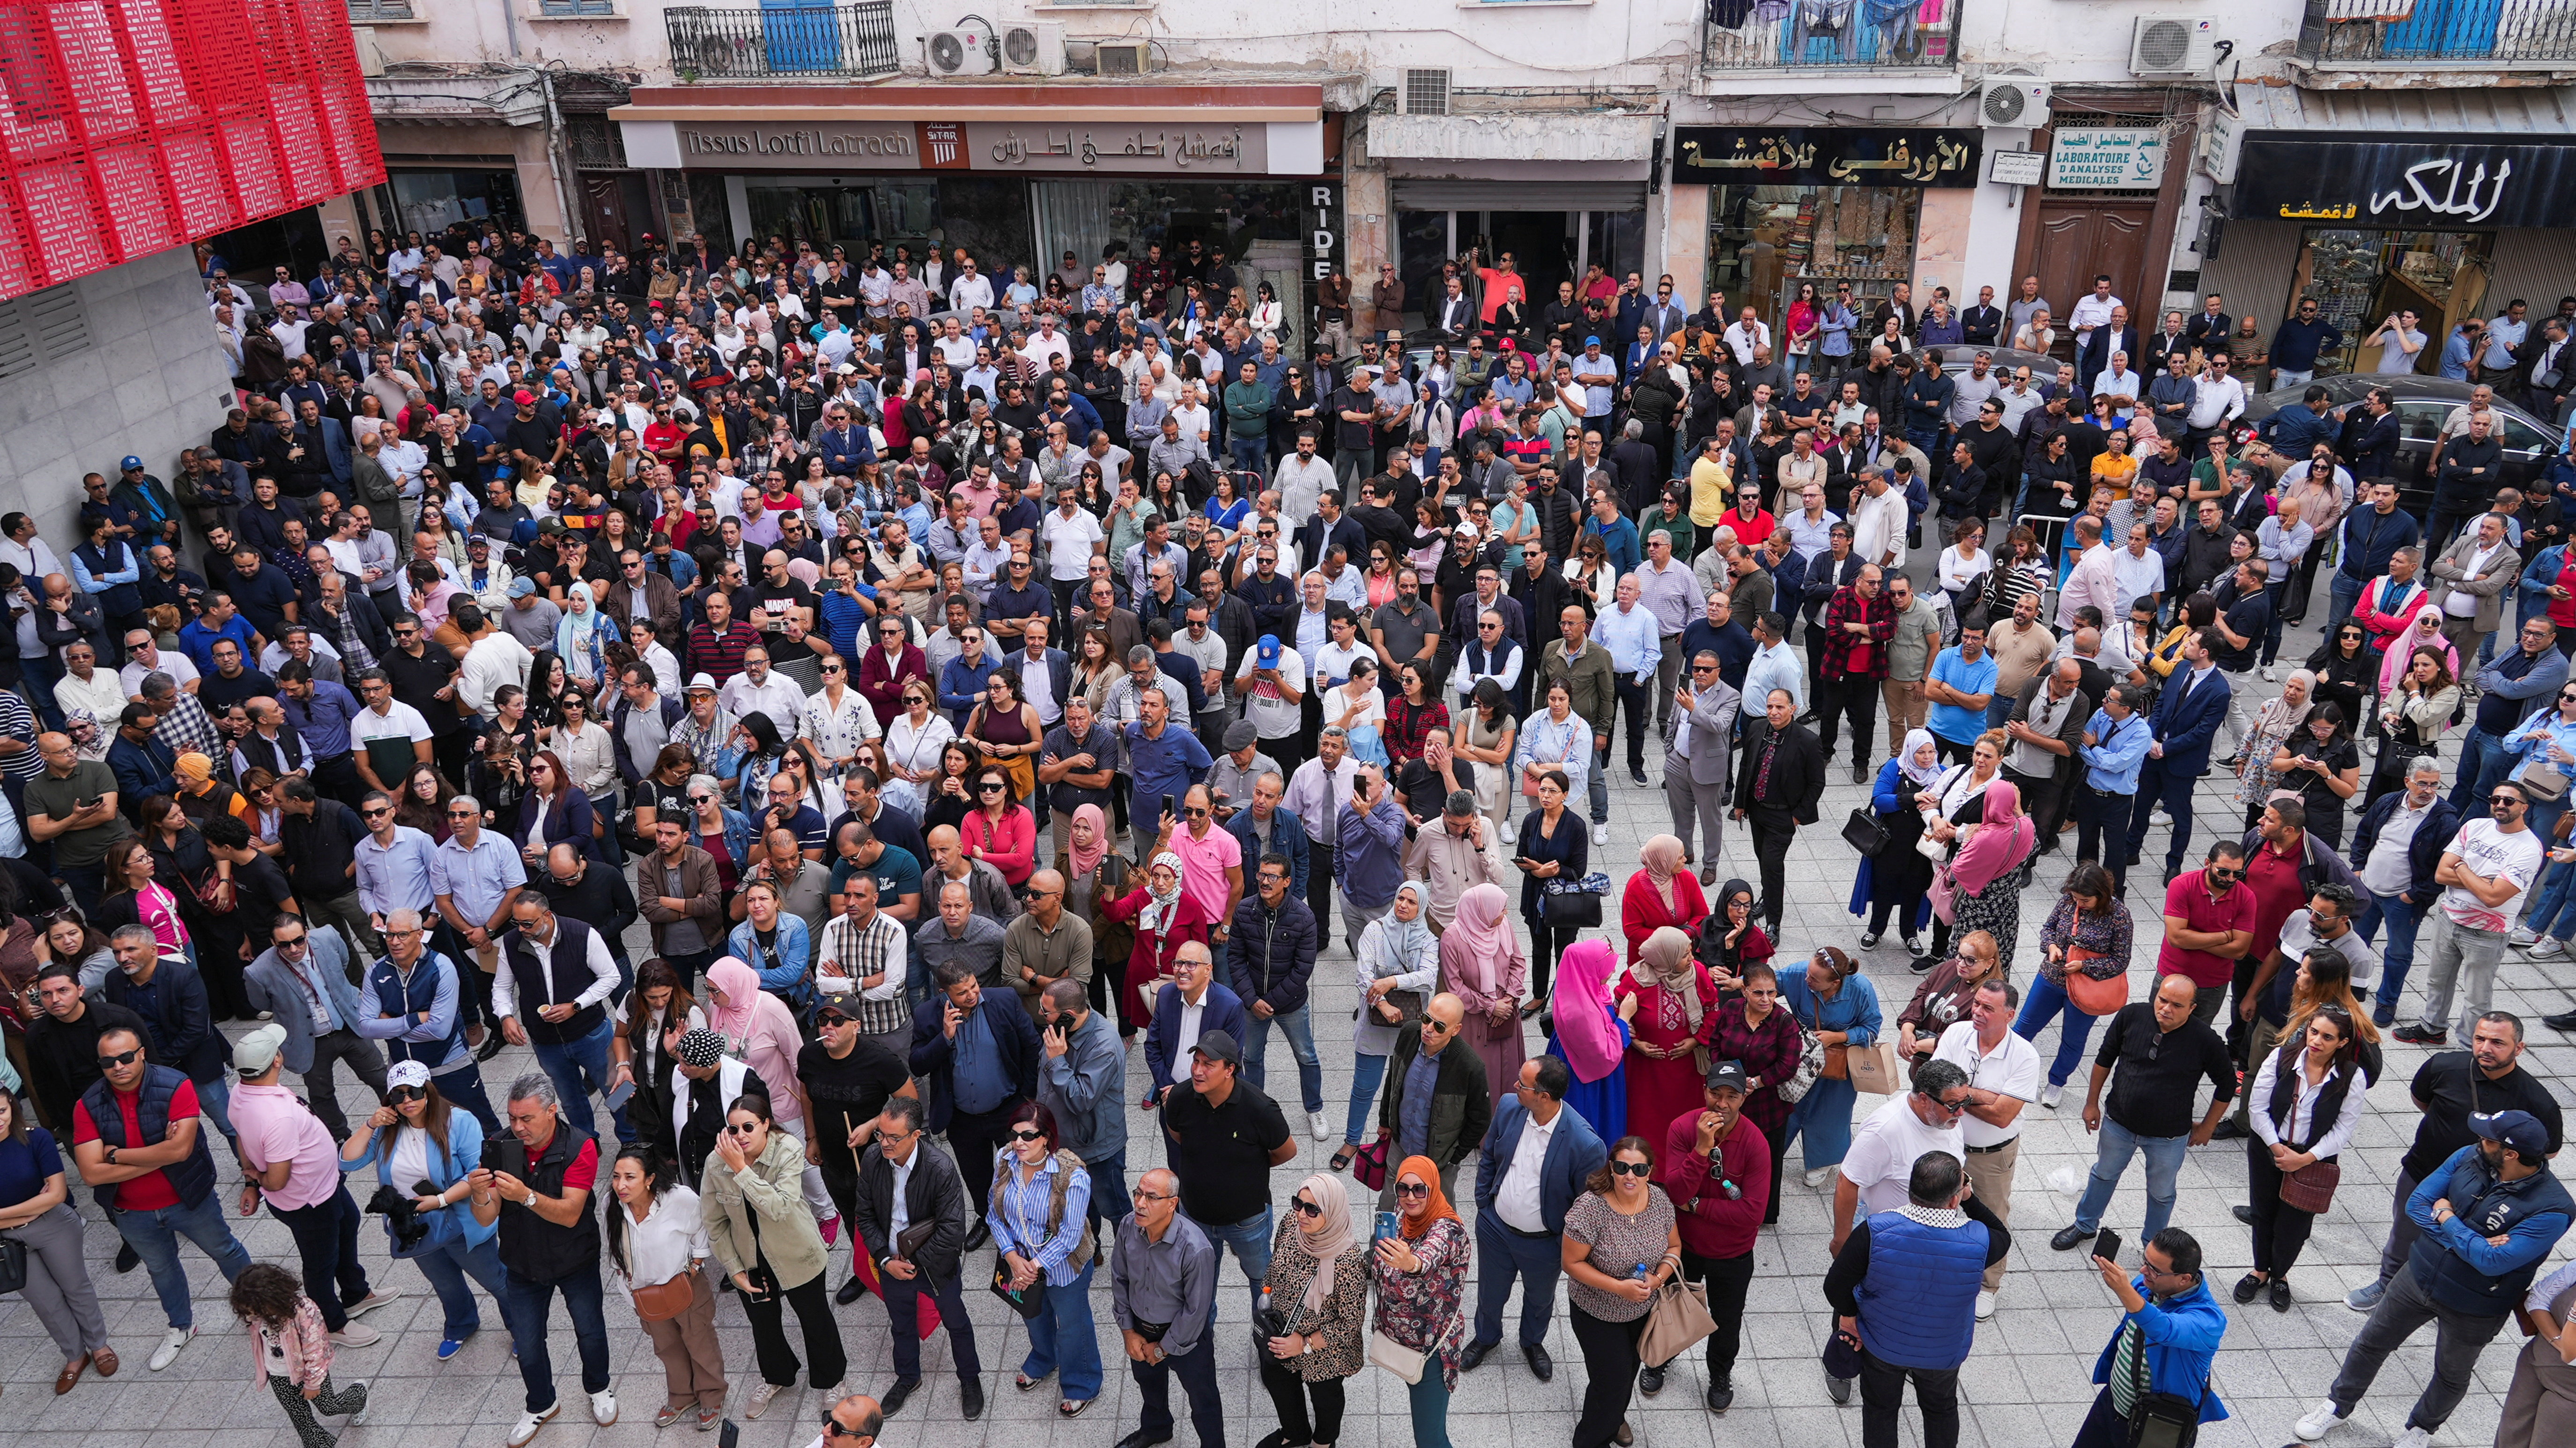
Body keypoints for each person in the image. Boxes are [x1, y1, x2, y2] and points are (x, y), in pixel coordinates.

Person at [2295, 1108, 2573, 1446]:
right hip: (2418, 1275)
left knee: (2451, 1375)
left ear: (2511, 1154)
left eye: (2488, 1139)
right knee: (2371, 1343)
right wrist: (2469, 1241)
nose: (2479, 1142)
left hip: (2478, 1304)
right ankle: (2337, 1407)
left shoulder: (2553, 1209)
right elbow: (2418, 1205)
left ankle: (2421, 1430)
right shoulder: (2469, 1156)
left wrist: (2446, 1216)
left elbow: (2493, 1262)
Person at [2349, 1011, 2563, 1312]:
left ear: (2519, 1048)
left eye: (2497, 1042)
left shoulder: (2537, 1100)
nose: (2486, 1048)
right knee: (2404, 1232)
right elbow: (2421, 1099)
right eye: (2480, 1039)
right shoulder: (2443, 1066)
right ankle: (2387, 1284)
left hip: (2488, 1192)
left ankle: (2441, 1298)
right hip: (2424, 1170)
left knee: (2471, 1245)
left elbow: (2548, 1150)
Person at [68, 1024, 252, 1371]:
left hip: (188, 1199)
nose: (118, 1067)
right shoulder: (88, 1104)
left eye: (125, 1057)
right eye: (109, 1062)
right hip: (131, 1212)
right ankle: (181, 1326)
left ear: (141, 1053)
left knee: (225, 1250)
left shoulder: (176, 1085)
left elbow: (181, 1150)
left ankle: (260, 1310)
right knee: (161, 1269)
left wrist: (116, 1155)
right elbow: (91, 1174)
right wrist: (160, 1153)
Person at [465, 1075, 617, 1448]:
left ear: (552, 1112)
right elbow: (486, 1218)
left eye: (526, 1119)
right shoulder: (500, 1146)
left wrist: (525, 1196)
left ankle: (599, 1388)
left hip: (575, 1258)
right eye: (513, 1118)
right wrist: (479, 1194)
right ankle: (541, 1404)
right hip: (522, 1262)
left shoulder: (581, 1146)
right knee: (529, 1342)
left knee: (590, 1330)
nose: (518, 1128)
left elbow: (569, 1214)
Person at [1822, 1150, 2009, 1441]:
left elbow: (1835, 1286)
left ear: (1912, 1190)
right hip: (1943, 1353)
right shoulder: (1979, 1241)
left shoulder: (1875, 1231)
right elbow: (2002, 1234)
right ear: (1954, 1199)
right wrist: (1970, 1197)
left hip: (1881, 1344)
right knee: (1941, 1409)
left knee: (1880, 1410)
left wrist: (1849, 1315)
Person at [228, 1024, 396, 1345]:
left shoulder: (241, 1092)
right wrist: (258, 1180)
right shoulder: (276, 1116)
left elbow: (240, 1135)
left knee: (348, 1223)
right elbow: (277, 1180)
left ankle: (355, 1293)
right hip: (309, 1202)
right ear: (276, 1061)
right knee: (320, 1264)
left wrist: (250, 1176)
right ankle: (331, 1323)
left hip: (326, 1185)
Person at [2051, 975, 2237, 1254]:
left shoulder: (2205, 1040)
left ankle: (2153, 1247)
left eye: (2177, 1005)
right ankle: (2085, 1225)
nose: (2166, 1009)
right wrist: (2092, 1103)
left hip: (2169, 1136)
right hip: (2119, 1122)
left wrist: (2208, 1126)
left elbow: (2227, 1083)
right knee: (2103, 1174)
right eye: (2162, 1000)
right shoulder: (2131, 1016)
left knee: (2162, 1193)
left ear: (2192, 1008)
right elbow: (2104, 1058)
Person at [337, 1058, 507, 1359]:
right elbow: (347, 1161)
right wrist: (370, 1125)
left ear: (428, 1092)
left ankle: (522, 1326)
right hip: (413, 1226)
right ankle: (461, 1324)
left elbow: (477, 1174)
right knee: (444, 1283)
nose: (406, 1101)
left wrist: (440, 1201)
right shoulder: (389, 1129)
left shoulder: (460, 1122)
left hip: (460, 1221)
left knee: (495, 1279)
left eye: (413, 1092)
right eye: (397, 1095)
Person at [702, 1091, 844, 1417]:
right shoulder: (715, 1163)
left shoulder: (788, 1151)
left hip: (795, 1251)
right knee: (763, 1324)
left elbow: (780, 1207)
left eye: (748, 1127)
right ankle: (777, 1376)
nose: (740, 1137)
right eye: (733, 1130)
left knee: (815, 1318)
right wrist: (733, 1267)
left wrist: (741, 1170)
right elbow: (714, 1221)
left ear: (766, 1124)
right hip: (750, 1257)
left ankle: (833, 1379)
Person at [1465, 1055, 1606, 1380]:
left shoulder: (1585, 1144)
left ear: (1544, 1096)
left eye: (1523, 1084)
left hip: (1545, 1242)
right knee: (1490, 1292)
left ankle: (1531, 1343)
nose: (1515, 1087)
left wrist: (1562, 1241)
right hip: (1496, 1230)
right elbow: (1489, 1155)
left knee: (1540, 1299)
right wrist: (1483, 1203)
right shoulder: (1508, 1107)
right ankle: (1486, 1338)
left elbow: (1587, 1206)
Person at [851, 1094, 985, 1420]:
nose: (884, 1143)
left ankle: (970, 1379)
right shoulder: (872, 1158)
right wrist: (885, 1261)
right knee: (902, 1326)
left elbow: (953, 1231)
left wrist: (914, 1262)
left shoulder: (940, 1168)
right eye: (881, 1134)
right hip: (891, 1264)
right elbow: (865, 1216)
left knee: (957, 1324)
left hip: (935, 1266)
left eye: (894, 1137)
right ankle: (908, 1377)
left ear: (916, 1135)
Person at [1654, 1058, 1769, 1411]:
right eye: (1715, 1094)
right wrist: (1702, 1149)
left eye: (1731, 1096)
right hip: (1683, 1247)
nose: (1722, 1104)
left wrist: (1697, 1206)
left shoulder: (1755, 1144)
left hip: (1732, 1255)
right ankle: (1659, 1359)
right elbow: (1675, 1192)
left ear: (1743, 1098)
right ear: (1704, 1091)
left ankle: (1720, 1373)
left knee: (1726, 1321)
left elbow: (1752, 1213)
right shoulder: (1683, 1128)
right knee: (1670, 1309)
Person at [2398, 777, 2545, 1046]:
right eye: (2495, 800)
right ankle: (2433, 1028)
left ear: (2524, 808)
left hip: (2487, 933)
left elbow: (2493, 897)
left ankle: (2470, 1046)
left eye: (2509, 801)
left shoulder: (2528, 848)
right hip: (2449, 918)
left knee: (2477, 997)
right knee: (2437, 981)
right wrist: (2483, 879)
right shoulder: (2475, 826)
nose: (2500, 805)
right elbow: (2442, 874)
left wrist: (2463, 868)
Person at [907, 958, 1038, 1246]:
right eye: (962, 993)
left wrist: (1029, 1095)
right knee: (977, 1177)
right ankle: (987, 1218)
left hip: (1008, 1109)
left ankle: (1026, 1220)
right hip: (961, 1117)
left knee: (1020, 1170)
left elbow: (1032, 1046)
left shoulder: (1004, 1001)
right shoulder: (927, 1015)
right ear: (943, 993)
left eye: (974, 986)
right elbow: (917, 1064)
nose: (972, 995)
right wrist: (945, 1037)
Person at [1161, 1028, 1297, 1305]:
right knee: (1198, 1284)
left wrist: (1251, 1166)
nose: (1198, 1071)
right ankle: (1202, 1342)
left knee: (1261, 1279)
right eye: (1196, 1062)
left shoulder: (1260, 1108)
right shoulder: (1180, 1098)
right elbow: (1177, 1136)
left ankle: (1266, 1338)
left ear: (1229, 1070)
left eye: (1208, 1065)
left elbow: (1287, 1151)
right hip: (1195, 1216)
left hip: (1247, 1220)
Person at [1562, 1134, 1682, 1448]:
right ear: (1611, 1169)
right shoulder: (1590, 1209)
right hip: (1596, 1311)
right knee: (1611, 1382)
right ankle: (1591, 1440)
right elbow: (1571, 1263)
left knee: (1626, 1373)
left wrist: (1657, 1280)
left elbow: (1674, 1246)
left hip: (1642, 1310)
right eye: (1623, 1167)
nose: (1631, 1176)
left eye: (1639, 1170)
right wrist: (1618, 1287)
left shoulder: (1659, 1202)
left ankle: (1613, 1418)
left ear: (1651, 1172)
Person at [986, 1099, 1103, 1416]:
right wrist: (1012, 1258)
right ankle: (1044, 1358)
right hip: (1020, 1264)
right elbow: (994, 1215)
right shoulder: (1006, 1160)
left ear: (1047, 1138)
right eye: (1014, 1135)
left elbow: (1070, 1235)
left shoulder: (1072, 1177)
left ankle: (1082, 1384)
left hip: (1063, 1268)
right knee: (1033, 1315)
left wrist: (1033, 1268)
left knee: (1073, 1325)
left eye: (1028, 1136)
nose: (1018, 1143)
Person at [602, 1145, 726, 1431]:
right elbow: (613, 1244)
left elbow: (703, 1228)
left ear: (649, 1179)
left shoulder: (679, 1199)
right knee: (667, 1347)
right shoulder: (611, 1205)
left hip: (686, 1288)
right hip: (646, 1296)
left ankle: (711, 1395)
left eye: (630, 1177)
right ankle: (682, 1395)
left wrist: (695, 1266)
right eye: (617, 1176)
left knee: (700, 1342)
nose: (621, 1185)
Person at [0, 1086, 115, 1393]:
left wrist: (5, 1213)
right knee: (44, 1301)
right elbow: (43, 1197)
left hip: (54, 1226)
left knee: (75, 1286)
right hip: (7, 1242)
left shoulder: (35, 1138)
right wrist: (29, 1208)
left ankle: (99, 1346)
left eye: (1, 1111)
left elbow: (57, 1195)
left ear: (12, 1106)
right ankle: (75, 1356)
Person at [2070, 1229, 2229, 1448]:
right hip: (2112, 1403)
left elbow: (2164, 1329)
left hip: (2156, 1425)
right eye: (2145, 1261)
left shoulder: (2208, 1320)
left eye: (2154, 1270)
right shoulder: (2147, 1286)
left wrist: (2124, 1290)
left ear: (2184, 1279)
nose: (2143, 1271)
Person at [244, 915, 389, 1141]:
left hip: (348, 1026)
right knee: (321, 1094)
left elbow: (343, 962)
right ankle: (340, 1138)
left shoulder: (329, 937)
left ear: (307, 933)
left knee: (380, 1077)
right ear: (274, 943)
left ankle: (399, 1118)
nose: (293, 949)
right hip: (309, 1040)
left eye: (299, 941)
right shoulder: (259, 971)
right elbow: (261, 1003)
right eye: (284, 944)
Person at [1109, 1165, 1225, 1448]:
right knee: (1149, 1387)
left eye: (1151, 1197)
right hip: (1140, 1329)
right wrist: (1128, 1331)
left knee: (1203, 1400)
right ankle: (1157, 1429)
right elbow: (1119, 1277)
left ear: (1172, 1204)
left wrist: (1164, 1348)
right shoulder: (1128, 1226)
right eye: (1138, 1193)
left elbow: (1196, 1310)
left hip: (1186, 1337)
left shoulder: (1195, 1248)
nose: (1139, 1203)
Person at [1257, 1173, 1368, 1448]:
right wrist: (1267, 1295)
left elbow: (1350, 1323)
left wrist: (1305, 1344)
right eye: (1298, 1203)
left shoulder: (1349, 1261)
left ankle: (1323, 1442)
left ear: (1331, 1212)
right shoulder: (1291, 1223)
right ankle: (1295, 1432)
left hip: (1325, 1352)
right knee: (1278, 1383)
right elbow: (1275, 1262)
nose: (1301, 1214)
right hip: (1283, 1332)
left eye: (1312, 1209)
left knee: (1326, 1399)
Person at [2013, 865, 2136, 1108]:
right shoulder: (2068, 901)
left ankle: (2056, 1082)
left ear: (2101, 894)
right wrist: (2051, 947)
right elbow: (2048, 928)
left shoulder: (2119, 916)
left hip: (2087, 988)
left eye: (2085, 900)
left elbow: (2121, 960)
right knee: (2024, 1027)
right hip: (2052, 977)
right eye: (2075, 898)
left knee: (2073, 1039)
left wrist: (2085, 966)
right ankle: (2006, 1068)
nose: (2079, 903)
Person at [1371, 1151, 1471, 1447]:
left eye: (1419, 1189)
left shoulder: (1447, 1230)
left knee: (1430, 1439)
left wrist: (1410, 1263)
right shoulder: (1404, 1218)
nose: (1410, 1197)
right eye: (1403, 1189)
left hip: (1431, 1353)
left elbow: (1428, 1257)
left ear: (1433, 1187)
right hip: (1402, 1342)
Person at [1226, 851, 1325, 1138]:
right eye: (1261, 875)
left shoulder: (1304, 918)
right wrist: (1251, 1000)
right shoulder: (1245, 911)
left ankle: (1315, 1109)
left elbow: (1302, 970)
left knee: (1306, 1056)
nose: (1265, 882)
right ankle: (1254, 1111)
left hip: (1291, 1005)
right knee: (1252, 1058)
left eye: (1272, 877)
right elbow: (1235, 958)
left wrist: (1268, 1003)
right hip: (1252, 1001)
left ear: (1287, 882)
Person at [228, 1262, 371, 1448]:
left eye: (254, 1311)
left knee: (328, 1406)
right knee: (298, 1414)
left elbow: (316, 1349)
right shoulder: (257, 1315)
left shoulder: (304, 1312)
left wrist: (313, 1383)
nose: (250, 1317)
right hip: (278, 1373)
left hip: (307, 1371)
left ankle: (358, 1395)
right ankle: (317, 1443)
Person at [1778, 946, 1884, 1188]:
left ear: (1835, 982)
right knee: (1788, 1103)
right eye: (1808, 973)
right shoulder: (1799, 974)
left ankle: (1822, 1160)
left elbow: (1871, 1029)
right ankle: (1773, 1148)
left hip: (1839, 1065)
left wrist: (1838, 1037)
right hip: (1803, 1057)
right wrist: (1735, 982)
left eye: (1814, 979)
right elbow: (1767, 981)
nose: (1807, 980)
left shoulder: (1861, 989)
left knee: (1832, 1112)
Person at [1377, 993, 1492, 1206]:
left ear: (1456, 1030)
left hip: (1440, 1161)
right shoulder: (1410, 1033)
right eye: (1426, 1019)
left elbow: (1481, 1119)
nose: (1428, 1029)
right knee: (1387, 1207)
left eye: (1439, 1026)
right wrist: (1386, 1121)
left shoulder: (1470, 1066)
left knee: (1440, 1212)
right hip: (1401, 1145)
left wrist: (1454, 1157)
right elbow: (1393, 1080)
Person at [1731, 687, 1824, 937]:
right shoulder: (1758, 728)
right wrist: (1740, 803)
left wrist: (1797, 816)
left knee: (1773, 865)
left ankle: (1774, 922)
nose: (1774, 712)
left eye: (1780, 707)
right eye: (1770, 706)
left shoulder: (1808, 741)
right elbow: (1746, 765)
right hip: (1757, 810)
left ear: (1792, 709)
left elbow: (1817, 783)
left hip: (1782, 816)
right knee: (1763, 859)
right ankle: (1767, 896)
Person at [1437, 881, 1526, 1113]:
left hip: (1506, 1012)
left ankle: (1507, 1122)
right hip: (1475, 1018)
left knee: (1508, 1072)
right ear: (1482, 911)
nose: (1505, 913)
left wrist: (1508, 1000)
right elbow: (1454, 986)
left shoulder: (1503, 926)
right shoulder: (1453, 938)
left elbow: (1518, 962)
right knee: (1482, 1075)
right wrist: (1490, 1006)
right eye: (1501, 909)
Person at [1855, 731, 1942, 953]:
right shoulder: (1895, 767)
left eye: (1931, 752)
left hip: (1924, 848)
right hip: (1892, 844)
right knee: (1885, 887)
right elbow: (1879, 800)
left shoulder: (1942, 774)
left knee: (1915, 890)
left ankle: (1909, 934)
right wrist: (1912, 798)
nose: (1927, 757)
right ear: (1910, 750)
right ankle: (1876, 930)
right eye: (1921, 752)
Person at [1517, 770, 1592, 1003]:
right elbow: (1521, 858)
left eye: (1552, 791)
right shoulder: (1531, 820)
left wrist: (1556, 871)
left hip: (1564, 899)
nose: (1546, 796)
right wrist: (1540, 871)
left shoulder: (1576, 826)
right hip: (1535, 893)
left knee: (1564, 950)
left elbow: (1578, 870)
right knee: (1539, 949)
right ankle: (1539, 996)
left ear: (1565, 795)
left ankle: (1563, 998)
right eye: (1542, 790)